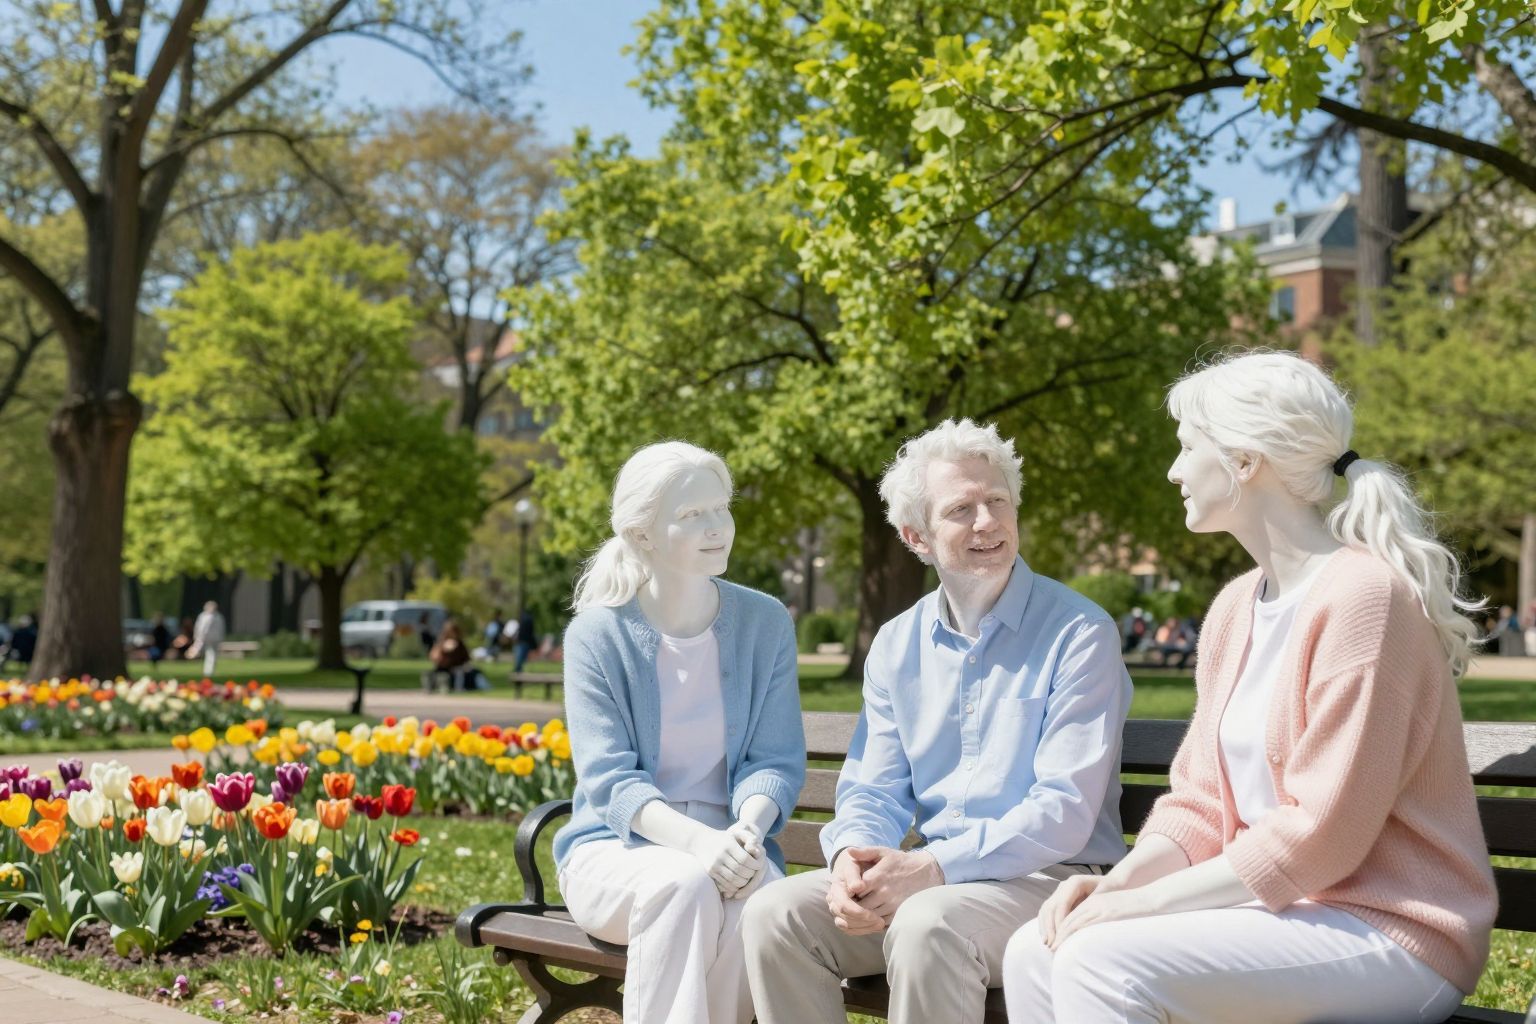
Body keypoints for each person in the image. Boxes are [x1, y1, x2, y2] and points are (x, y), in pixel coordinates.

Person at [1004, 350, 1497, 1024]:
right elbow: (1200, 806)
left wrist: (1134, 907)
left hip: (1391, 932)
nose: (1174, 470)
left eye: (1185, 448)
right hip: (1279, 913)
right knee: (1038, 946)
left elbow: (1320, 836)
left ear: (1243, 462)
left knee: (1099, 959)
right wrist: (1110, 889)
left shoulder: (1363, 599)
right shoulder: (1237, 606)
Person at [742, 419, 1131, 1024]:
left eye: (997, 501)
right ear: (916, 537)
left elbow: (1064, 810)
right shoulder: (897, 645)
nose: (987, 522)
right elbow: (873, 788)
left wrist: (933, 868)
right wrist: (851, 859)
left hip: (1050, 883)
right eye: (961, 509)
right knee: (776, 915)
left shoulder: (1079, 633)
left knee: (927, 925)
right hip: (934, 881)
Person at [555, 440, 805, 1024]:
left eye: (722, 508)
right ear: (643, 536)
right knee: (685, 886)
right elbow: (611, 782)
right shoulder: (597, 636)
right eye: (693, 515)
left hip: (733, 846)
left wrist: (743, 837)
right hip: (612, 854)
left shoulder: (764, 621)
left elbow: (774, 760)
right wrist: (701, 845)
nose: (718, 527)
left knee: (762, 902)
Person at [429, 619, 481, 690]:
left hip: (458, 668)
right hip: (444, 669)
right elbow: (435, 657)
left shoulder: (460, 644)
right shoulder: (441, 643)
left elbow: (466, 658)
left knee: (469, 672)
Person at [188, 600, 226, 678]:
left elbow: (221, 629)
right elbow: (200, 628)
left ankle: (209, 671)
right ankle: (208, 671)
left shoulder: (217, 616)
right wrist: (198, 636)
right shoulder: (204, 616)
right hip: (207, 638)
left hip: (214, 639)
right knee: (209, 654)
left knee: (211, 654)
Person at [513, 605, 536, 671]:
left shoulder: (522, 619)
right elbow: (531, 632)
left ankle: (518, 669)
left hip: (520, 640)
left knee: (519, 656)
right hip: (525, 640)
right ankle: (518, 669)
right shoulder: (529, 619)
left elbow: (519, 630)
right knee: (521, 656)